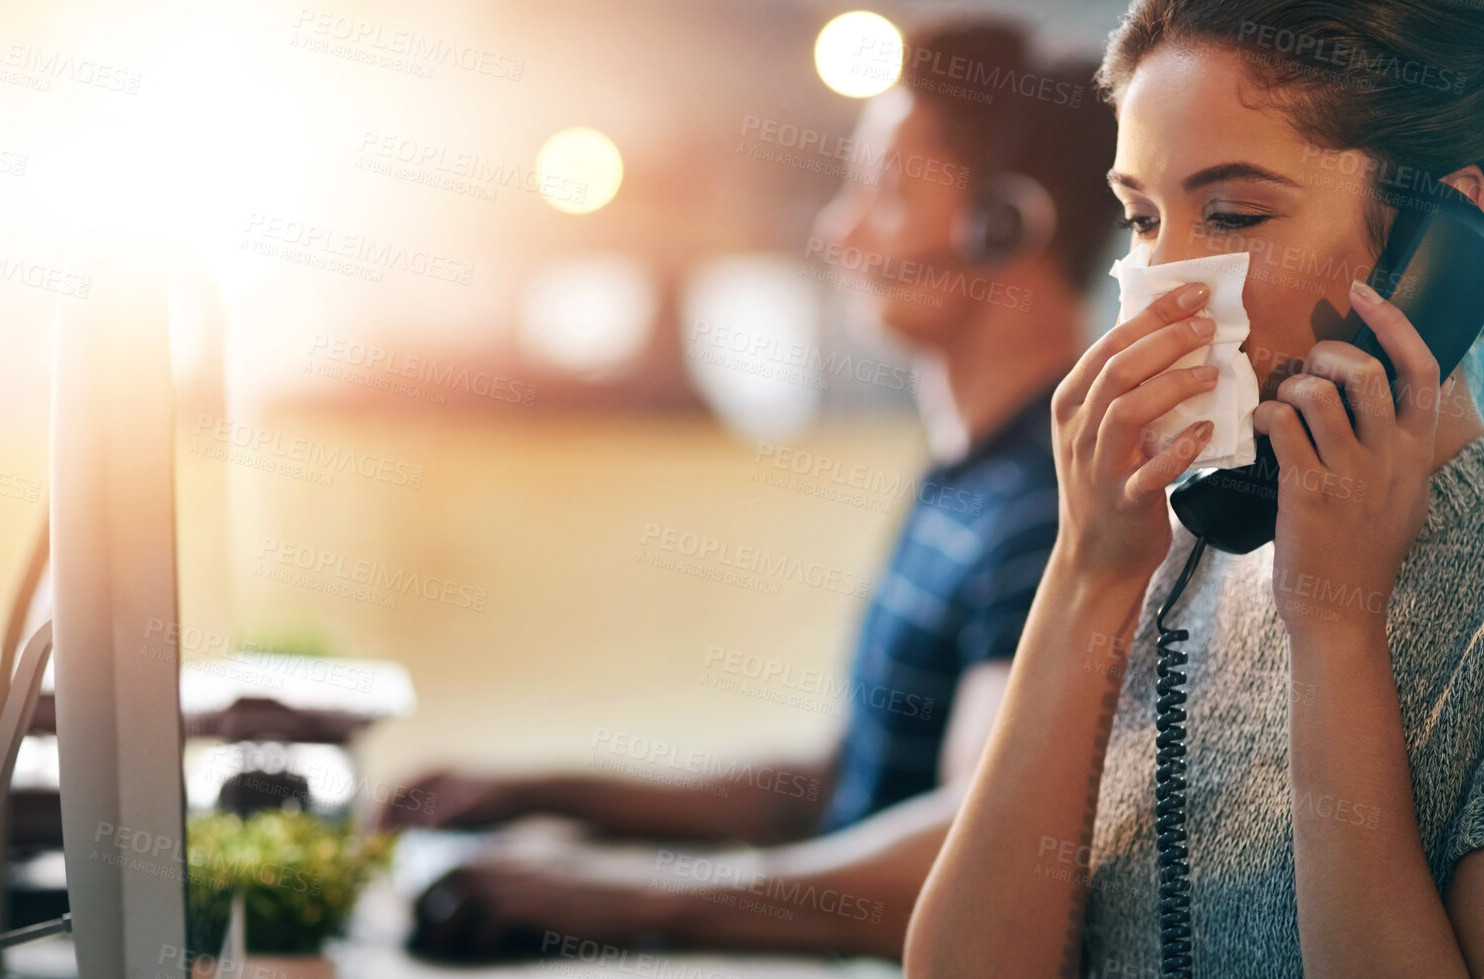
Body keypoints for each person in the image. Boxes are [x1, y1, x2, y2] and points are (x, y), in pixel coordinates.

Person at [906, 2, 1484, 977]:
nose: (1162, 277)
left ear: (1435, 242)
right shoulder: (1173, 546)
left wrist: (1335, 628)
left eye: (1232, 214)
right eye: (1142, 218)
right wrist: (1086, 575)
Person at [382, 20, 1123, 961]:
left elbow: (974, 853)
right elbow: (842, 785)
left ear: (1002, 225)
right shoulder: (969, 482)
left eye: (885, 193)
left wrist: (619, 902)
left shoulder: (1051, 506)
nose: (835, 229)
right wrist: (551, 797)